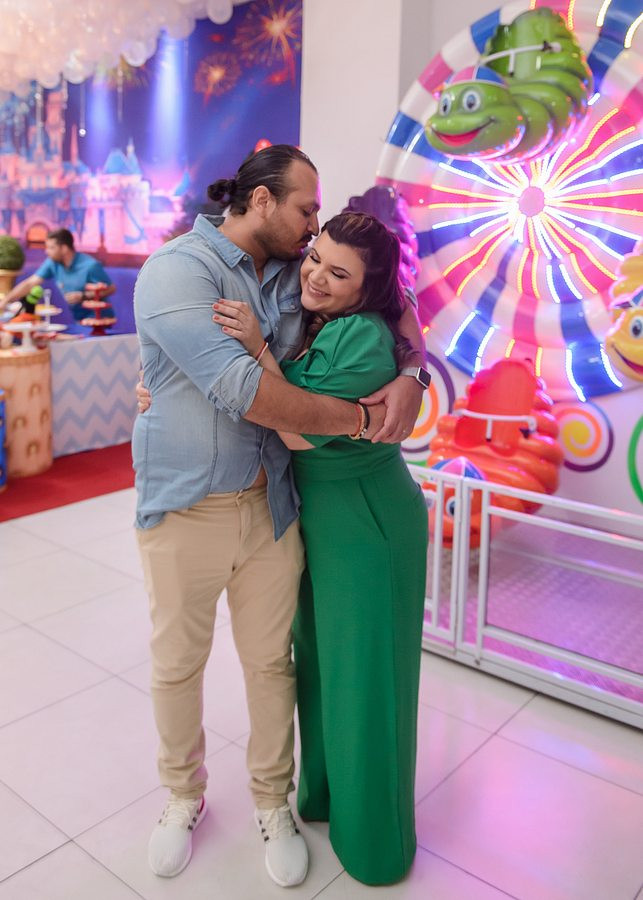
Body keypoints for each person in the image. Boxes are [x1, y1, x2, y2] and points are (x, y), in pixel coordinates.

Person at [132, 144, 427, 888]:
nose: (312, 231)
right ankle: (182, 796)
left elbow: (388, 296)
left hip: (275, 508)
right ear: (262, 202)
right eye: (305, 211)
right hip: (187, 506)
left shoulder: (289, 270)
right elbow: (250, 393)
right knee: (178, 664)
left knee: (273, 666)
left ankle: (273, 802)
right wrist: (360, 419)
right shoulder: (179, 272)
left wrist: (412, 371)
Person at [212, 211, 427, 885]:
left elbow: (296, 429)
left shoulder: (361, 334)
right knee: (322, 668)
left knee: (366, 679)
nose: (316, 277)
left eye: (339, 273)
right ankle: (328, 798)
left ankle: (376, 842)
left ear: (368, 288)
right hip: (320, 520)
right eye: (315, 258)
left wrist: (256, 350)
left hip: (366, 522)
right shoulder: (314, 306)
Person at [0, 228, 115, 320]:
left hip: (98, 320)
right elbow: (30, 283)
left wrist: (83, 296)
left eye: (51, 248)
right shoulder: (53, 262)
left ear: (64, 248)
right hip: (77, 319)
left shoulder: (90, 265)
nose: (46, 251)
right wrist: (6, 301)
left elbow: (111, 289)